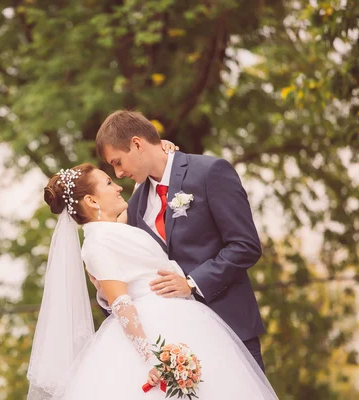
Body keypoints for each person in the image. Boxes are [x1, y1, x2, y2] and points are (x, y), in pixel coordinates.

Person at [26, 163, 277, 399]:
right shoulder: (96, 244)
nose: (117, 187)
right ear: (92, 200)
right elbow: (121, 303)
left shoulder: (114, 230)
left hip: (183, 316)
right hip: (154, 331)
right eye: (108, 183)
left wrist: (153, 164)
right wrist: (153, 359)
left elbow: (133, 206)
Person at [95, 110, 266, 370]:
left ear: (137, 144)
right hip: (178, 344)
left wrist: (191, 283)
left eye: (118, 162)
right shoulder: (137, 203)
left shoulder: (210, 172)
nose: (118, 173)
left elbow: (245, 246)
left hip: (231, 328)